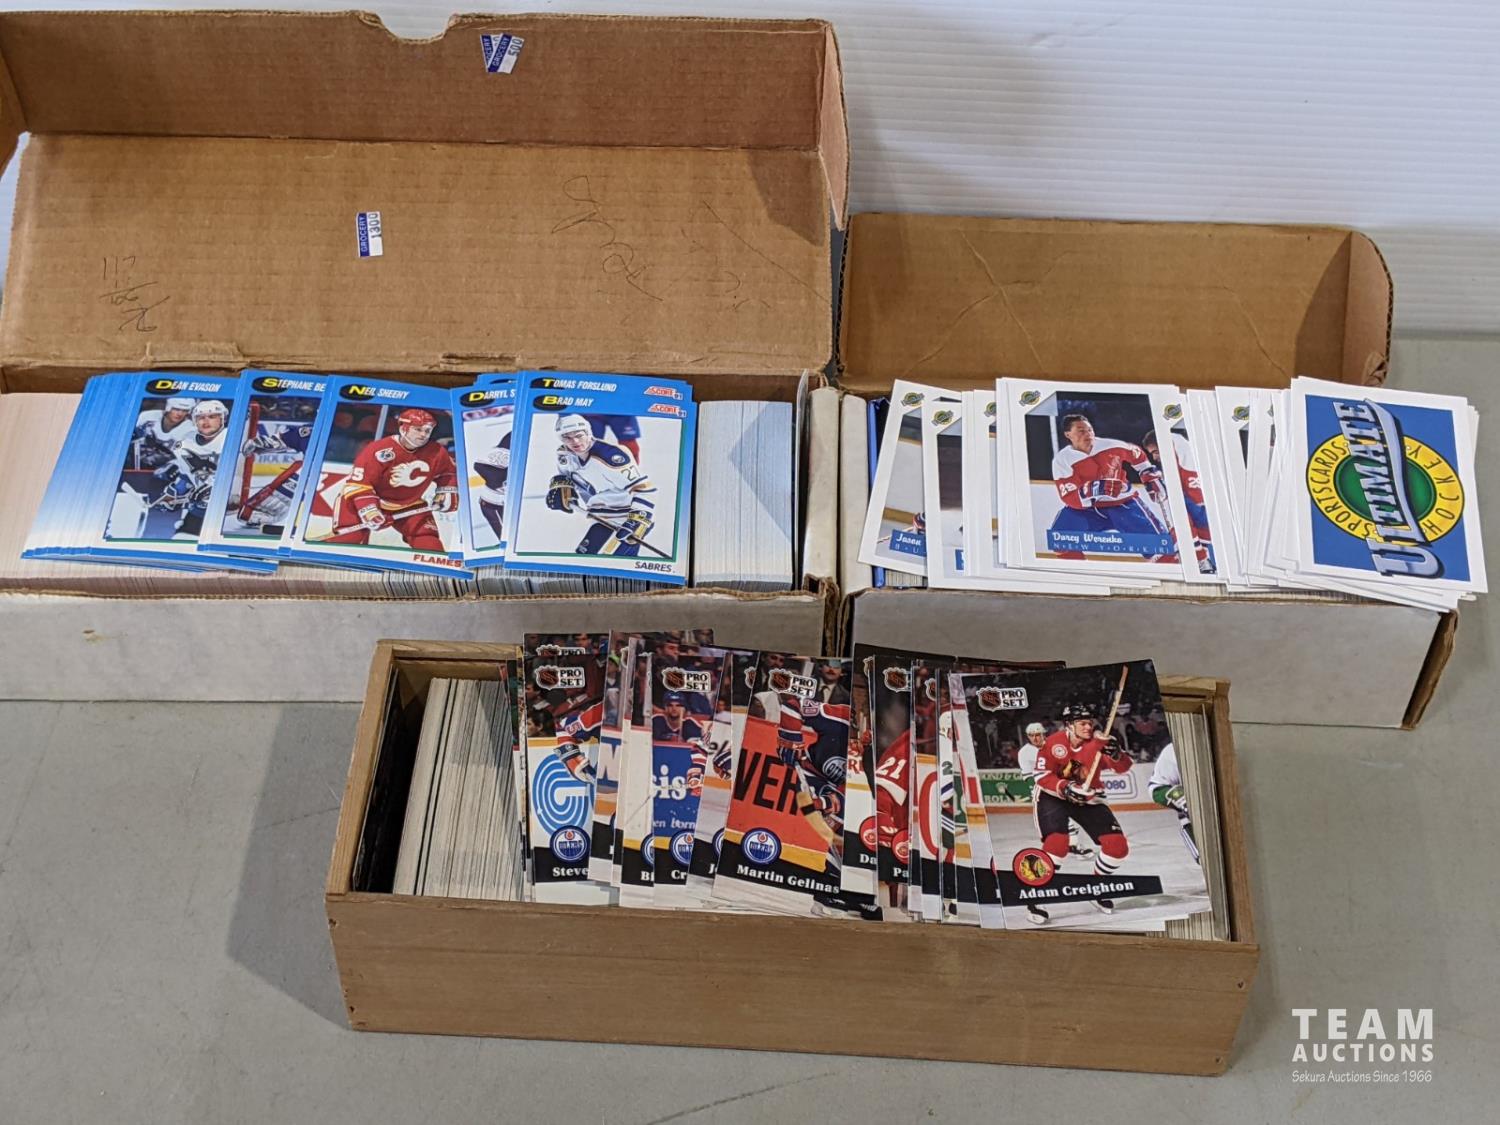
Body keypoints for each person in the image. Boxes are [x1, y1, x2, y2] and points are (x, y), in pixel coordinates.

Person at [1026, 703, 1134, 924]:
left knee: (1117, 847)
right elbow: (1041, 776)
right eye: (1082, 723)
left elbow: (1123, 767)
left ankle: (1096, 886)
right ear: (1069, 725)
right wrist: (1065, 787)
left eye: (1089, 723)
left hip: (1087, 797)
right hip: (1053, 796)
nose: (1088, 727)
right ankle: (1035, 895)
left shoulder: (1100, 742)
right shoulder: (1053, 743)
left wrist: (1117, 755)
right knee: (1057, 846)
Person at [326, 408, 457, 552]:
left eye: (427, 430)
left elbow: (448, 473)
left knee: (426, 539)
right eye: (418, 429)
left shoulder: (436, 451)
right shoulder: (378, 450)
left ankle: (432, 564)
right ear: (403, 428)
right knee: (348, 540)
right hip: (363, 501)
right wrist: (370, 511)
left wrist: (447, 491)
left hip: (409, 503)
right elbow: (359, 485)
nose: (423, 435)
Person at [1048, 413, 1173, 561]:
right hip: (1088, 509)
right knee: (1060, 538)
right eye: (1081, 431)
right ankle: (1080, 572)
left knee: (1159, 546)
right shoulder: (1062, 460)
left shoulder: (1111, 445)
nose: (1088, 434)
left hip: (1123, 504)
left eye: (1090, 430)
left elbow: (1137, 454)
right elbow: (1069, 497)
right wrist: (1094, 489)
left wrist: (1147, 472)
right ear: (1068, 434)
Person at [545, 414, 656, 557]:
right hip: (601, 517)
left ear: (588, 433)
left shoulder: (610, 455)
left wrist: (638, 520)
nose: (575, 441)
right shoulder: (564, 454)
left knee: (601, 561)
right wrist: (560, 485)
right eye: (567, 437)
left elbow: (644, 488)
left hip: (625, 519)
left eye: (579, 435)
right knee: (589, 559)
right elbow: (567, 476)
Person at [154, 399, 228, 537]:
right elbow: (187, 476)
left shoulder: (231, 439)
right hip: (201, 510)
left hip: (228, 512)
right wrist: (173, 495)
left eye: (212, 416)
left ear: (222, 419)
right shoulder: (186, 441)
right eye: (200, 417)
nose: (206, 421)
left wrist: (214, 488)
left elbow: (239, 476)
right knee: (181, 540)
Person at [1017, 721, 1091, 859]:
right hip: (1043, 788)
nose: (1035, 738)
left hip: (1059, 784)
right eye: (1031, 735)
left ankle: (1072, 845)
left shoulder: (1054, 745)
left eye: (1038, 734)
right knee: (1056, 820)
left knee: (1071, 816)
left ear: (1043, 734)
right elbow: (1027, 774)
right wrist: (1034, 788)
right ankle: (1067, 846)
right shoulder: (1024, 753)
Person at [1143, 428, 1212, 572]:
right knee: (1188, 529)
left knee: (1182, 526)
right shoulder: (1181, 446)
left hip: (1197, 501)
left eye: (1155, 452)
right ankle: (1202, 559)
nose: (1154, 457)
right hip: (1200, 501)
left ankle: (1201, 560)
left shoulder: (1175, 443)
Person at [133, 397, 195, 469]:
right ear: (168, 407)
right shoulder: (147, 417)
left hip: (165, 468)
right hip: (135, 460)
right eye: (176, 409)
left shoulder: (190, 429)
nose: (180, 414)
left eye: (185, 410)